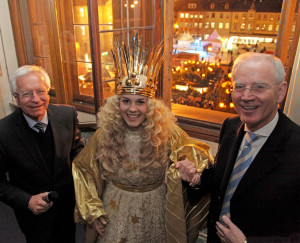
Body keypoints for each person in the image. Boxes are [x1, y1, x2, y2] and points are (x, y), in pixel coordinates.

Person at [72, 36, 214, 243]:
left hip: (154, 207)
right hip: (115, 206)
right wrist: (92, 209)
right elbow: (82, 169)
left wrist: (193, 169)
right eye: (126, 101)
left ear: (152, 104)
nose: (132, 109)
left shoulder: (168, 132)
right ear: (116, 103)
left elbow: (198, 157)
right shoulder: (104, 133)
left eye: (140, 101)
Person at [177, 52, 300, 242]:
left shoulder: (295, 147)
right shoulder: (231, 126)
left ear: (281, 92)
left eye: (259, 87)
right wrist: (197, 180)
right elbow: (225, 180)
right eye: (239, 87)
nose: (246, 96)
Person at [0, 65, 84, 243]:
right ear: (16, 97)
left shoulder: (67, 114)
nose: (36, 99)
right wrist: (27, 201)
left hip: (68, 207)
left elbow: (77, 152)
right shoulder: (3, 132)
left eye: (40, 91)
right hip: (33, 216)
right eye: (27, 93)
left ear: (48, 91)